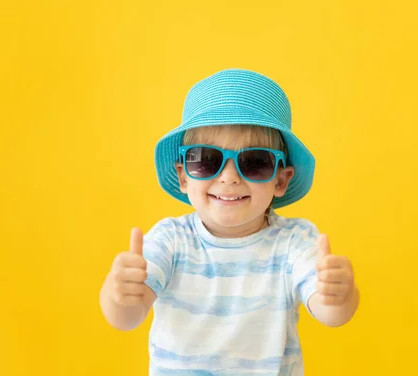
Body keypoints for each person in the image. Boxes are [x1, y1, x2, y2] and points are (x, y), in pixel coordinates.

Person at [100, 69, 359, 375]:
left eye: (255, 163)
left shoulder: (294, 242)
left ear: (281, 180)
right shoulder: (170, 240)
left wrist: (340, 294)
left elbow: (331, 313)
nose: (229, 177)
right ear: (184, 176)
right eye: (206, 159)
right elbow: (128, 317)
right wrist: (119, 293)